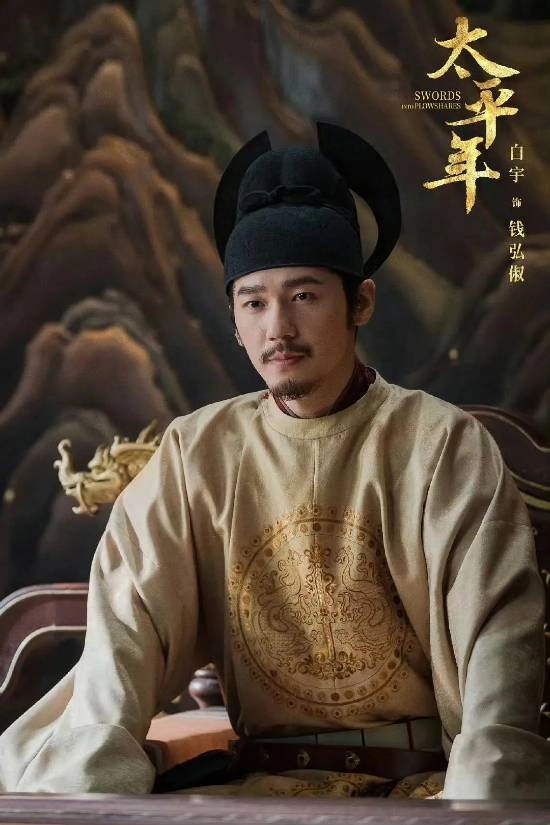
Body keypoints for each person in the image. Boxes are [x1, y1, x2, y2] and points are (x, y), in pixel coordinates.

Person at [0, 123, 548, 799]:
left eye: (305, 296)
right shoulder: (196, 454)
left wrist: (483, 796)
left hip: (420, 793)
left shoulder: (440, 444)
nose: (278, 328)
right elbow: (126, 632)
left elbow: (498, 649)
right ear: (234, 321)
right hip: (258, 792)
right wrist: (94, 780)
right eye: (254, 302)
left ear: (361, 302)